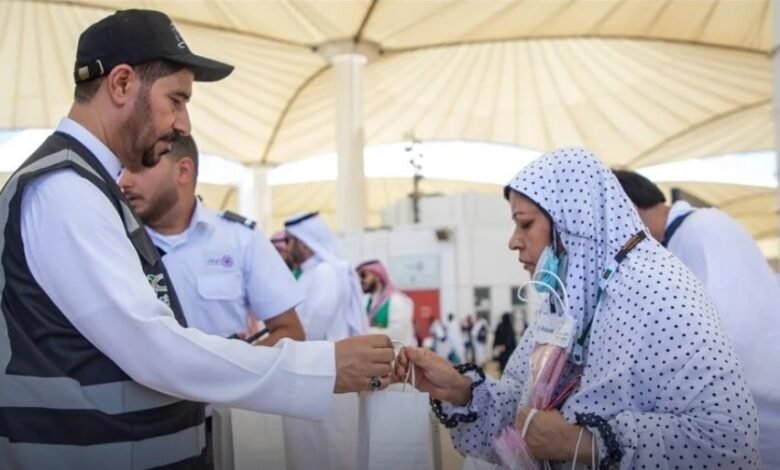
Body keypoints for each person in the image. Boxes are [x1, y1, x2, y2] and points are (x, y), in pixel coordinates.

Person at [0, 10, 394, 468]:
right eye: (177, 100)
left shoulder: (88, 187)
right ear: (122, 84)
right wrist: (323, 369)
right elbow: (153, 350)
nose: (183, 125)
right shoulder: (67, 191)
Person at [396, 148, 760, 468]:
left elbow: (728, 440)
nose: (513, 241)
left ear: (573, 223)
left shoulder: (658, 291)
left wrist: (583, 444)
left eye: (526, 224)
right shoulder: (566, 304)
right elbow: (525, 417)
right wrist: (460, 390)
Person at [615, 169, 780, 467]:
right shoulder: (693, 232)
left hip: (762, 409)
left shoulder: (700, 231)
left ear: (630, 210)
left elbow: (720, 334)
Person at [119, 134, 304, 343]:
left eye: (138, 168)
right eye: (121, 169)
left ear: (183, 171)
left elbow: (290, 332)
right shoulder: (117, 241)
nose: (123, 181)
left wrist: (238, 359)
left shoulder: (241, 240)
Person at [281, 212, 368, 470]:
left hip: (327, 373)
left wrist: (284, 344)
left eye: (289, 240)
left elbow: (312, 328)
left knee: (331, 448)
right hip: (312, 372)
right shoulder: (309, 274)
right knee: (310, 448)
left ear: (304, 241)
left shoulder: (326, 272)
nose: (286, 247)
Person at [356, 259, 415, 345]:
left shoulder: (397, 300)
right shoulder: (368, 303)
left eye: (363, 275)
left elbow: (398, 335)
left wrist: (363, 331)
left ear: (377, 275)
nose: (360, 281)